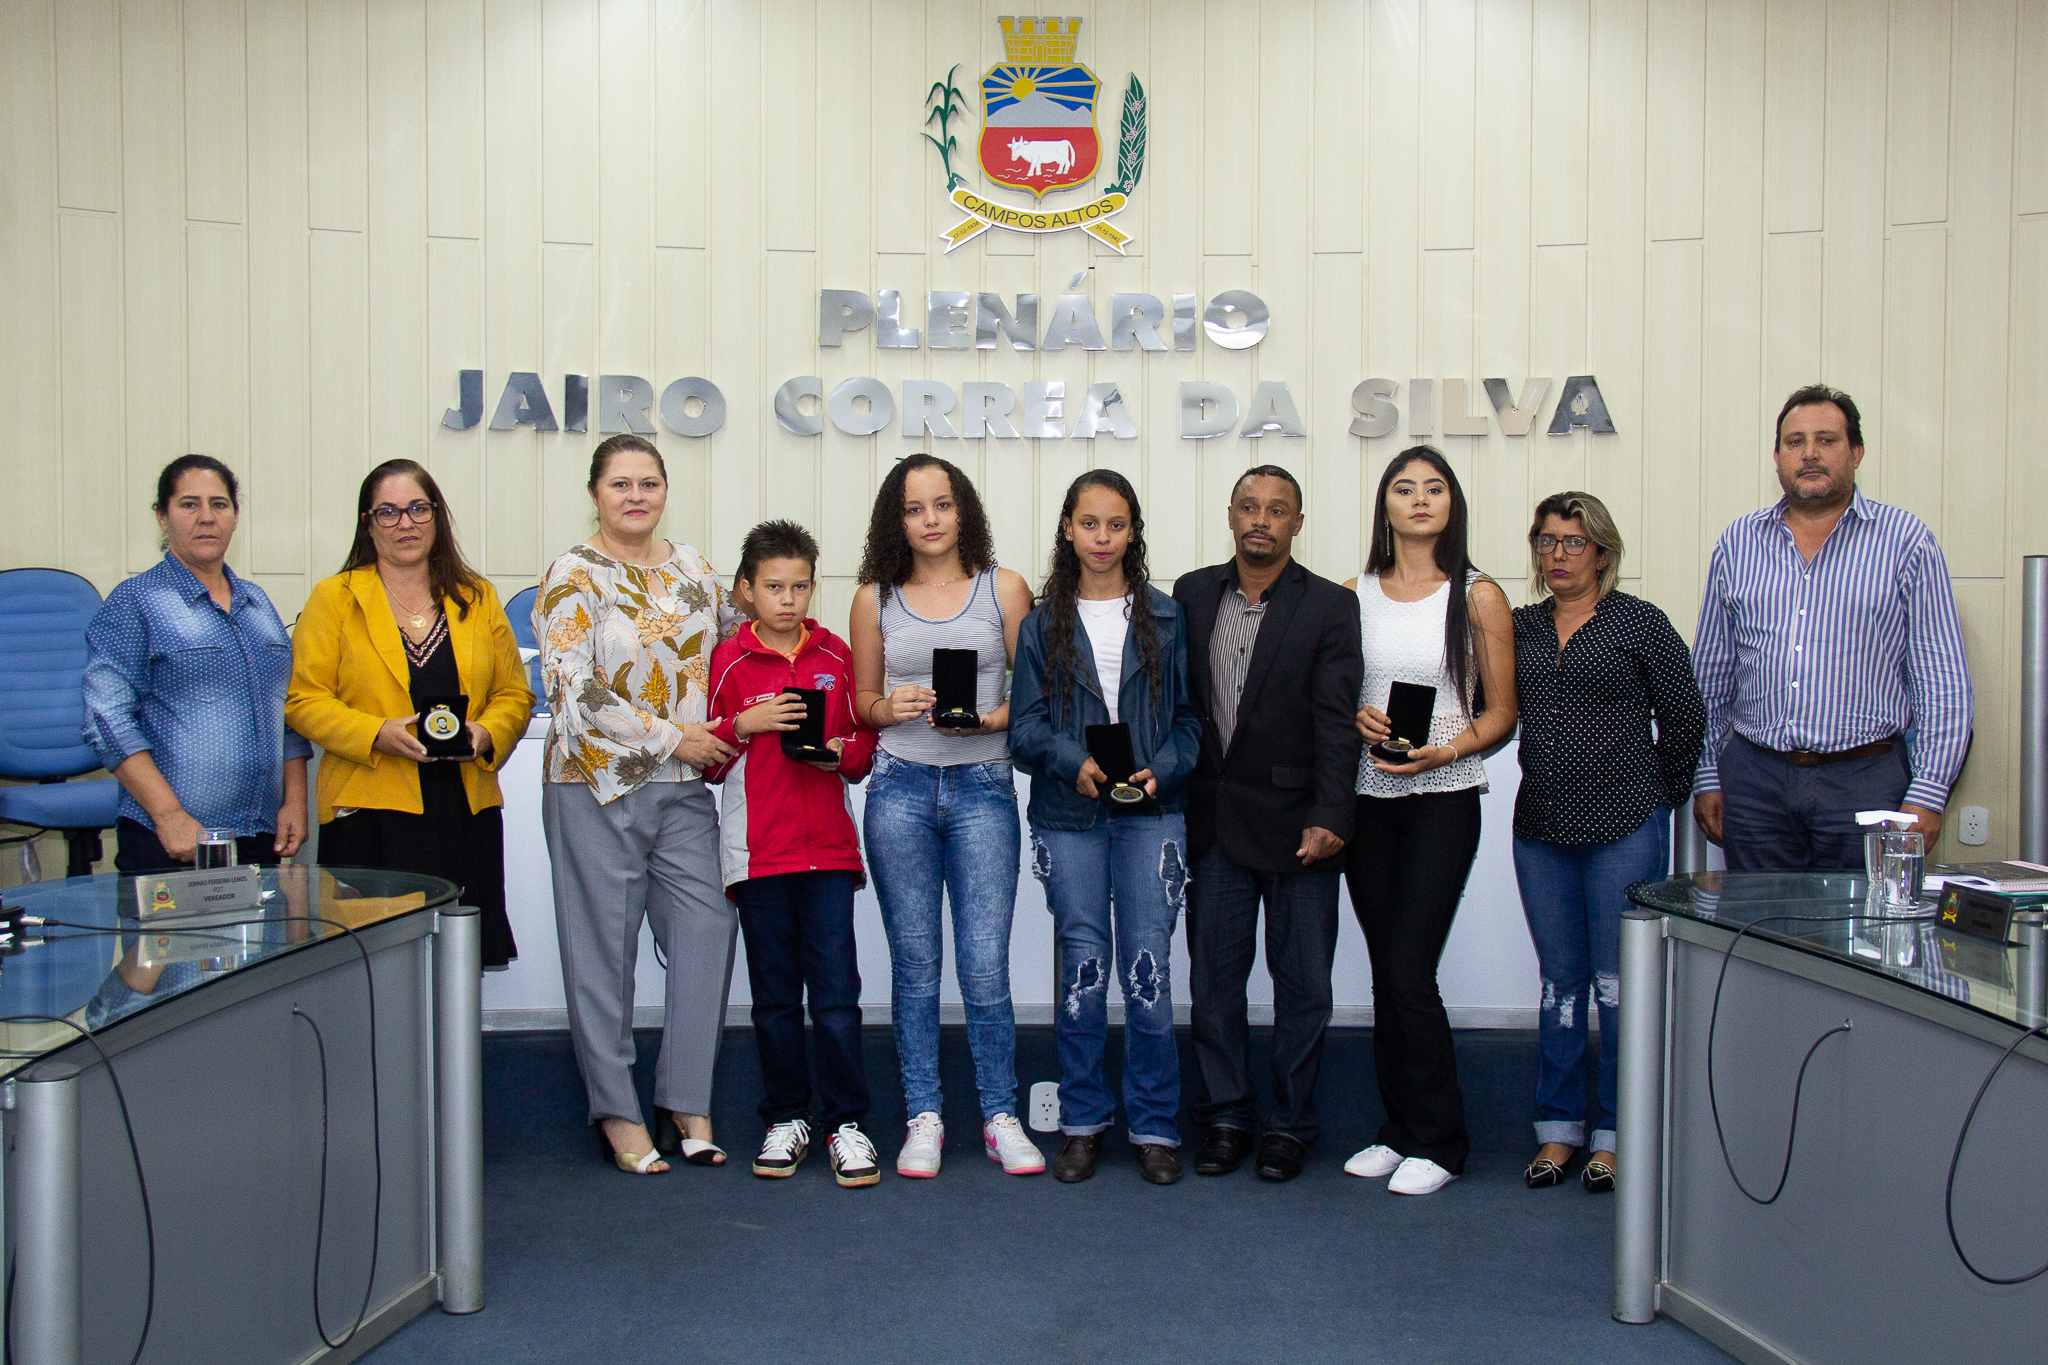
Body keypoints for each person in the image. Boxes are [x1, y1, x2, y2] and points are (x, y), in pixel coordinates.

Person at [532, 434, 742, 1175]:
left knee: (709, 928)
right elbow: (572, 690)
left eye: (648, 482)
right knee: (602, 953)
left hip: (683, 789)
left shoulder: (695, 569)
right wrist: (674, 736)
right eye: (620, 483)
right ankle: (618, 1112)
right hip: (593, 784)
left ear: (664, 491)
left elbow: (735, 653)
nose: (635, 496)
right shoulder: (572, 573)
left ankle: (686, 1098)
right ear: (595, 492)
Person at [849, 453, 1041, 1178]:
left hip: (984, 790)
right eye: (913, 508)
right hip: (898, 788)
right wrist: (886, 707)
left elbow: (1039, 695)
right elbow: (862, 702)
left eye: (942, 504)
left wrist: (990, 718)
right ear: (894, 521)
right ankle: (923, 1115)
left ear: (964, 510)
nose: (929, 519)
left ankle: (999, 1115)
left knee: (986, 966)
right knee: (916, 966)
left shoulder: (1004, 588)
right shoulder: (873, 598)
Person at [1010, 470, 1203, 1186]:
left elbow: (1191, 723)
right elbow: (1025, 729)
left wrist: (1163, 770)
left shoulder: (1167, 617)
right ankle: (1083, 1122)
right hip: (1070, 815)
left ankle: (1154, 1126)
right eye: (1088, 523)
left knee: (1149, 969)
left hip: (1152, 813)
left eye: (1115, 525)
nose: (1101, 537)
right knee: (1084, 972)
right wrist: (1075, 763)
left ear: (1133, 532)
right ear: (1067, 528)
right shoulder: (1040, 624)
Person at [1173, 465, 1363, 1183]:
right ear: (1230, 514)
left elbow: (1337, 720)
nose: (1261, 519)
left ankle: (1289, 1125)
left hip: (1300, 828)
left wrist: (1332, 813)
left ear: (1297, 523)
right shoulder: (1192, 594)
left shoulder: (1330, 606)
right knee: (1215, 983)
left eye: (1277, 509)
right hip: (1216, 823)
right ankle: (1226, 1116)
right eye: (1249, 506)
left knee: (1304, 986)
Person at [1691, 385, 1972, 869]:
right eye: (1795, 442)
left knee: (1863, 917)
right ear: (1777, 458)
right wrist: (1707, 774)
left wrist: (1929, 791)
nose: (1810, 454)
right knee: (1758, 917)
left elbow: (1941, 680)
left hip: (1866, 781)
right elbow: (1711, 676)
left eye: (1826, 439)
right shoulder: (1737, 543)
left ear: (1856, 452)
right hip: (1755, 783)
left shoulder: (1907, 542)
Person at [1510, 492, 1704, 1194]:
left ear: (1603, 553)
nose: (1558, 554)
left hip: (1625, 827)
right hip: (1541, 829)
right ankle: (1559, 1129)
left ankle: (1619, 1133)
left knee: (1619, 984)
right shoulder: (1519, 626)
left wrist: (1660, 797)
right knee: (1559, 983)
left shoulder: (1639, 622)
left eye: (1574, 541)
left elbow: (1685, 716)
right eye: (1547, 540)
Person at [1342, 446, 1517, 1196]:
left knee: (1411, 968)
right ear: (1385, 504)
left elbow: (1503, 713)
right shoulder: (1352, 593)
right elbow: (1337, 690)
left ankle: (1442, 1142)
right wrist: (1355, 714)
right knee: (1387, 971)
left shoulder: (1479, 595)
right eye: (1404, 487)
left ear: (1452, 504)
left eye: (1435, 488)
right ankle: (1399, 1129)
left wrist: (1445, 750)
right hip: (1366, 795)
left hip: (1443, 796)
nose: (1419, 499)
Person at [286, 459, 531, 969]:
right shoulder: (334, 599)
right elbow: (304, 701)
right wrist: (376, 732)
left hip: (463, 809)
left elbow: (513, 694)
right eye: (389, 512)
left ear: (437, 516)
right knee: (374, 968)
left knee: (457, 965)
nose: (406, 523)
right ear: (367, 523)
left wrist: (486, 733)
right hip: (369, 813)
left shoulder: (477, 597)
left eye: (419, 508)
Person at [703, 520, 881, 1187]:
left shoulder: (836, 653)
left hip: (829, 853)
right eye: (774, 587)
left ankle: (847, 1123)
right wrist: (742, 726)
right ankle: (786, 1116)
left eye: (800, 586)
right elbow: (709, 761)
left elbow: (862, 744)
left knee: (836, 995)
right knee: (775, 998)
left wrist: (842, 753)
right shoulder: (729, 660)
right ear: (747, 590)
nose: (788, 599)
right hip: (760, 856)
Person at [84, 455, 310, 872]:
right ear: (162, 517)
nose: (206, 517)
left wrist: (295, 801)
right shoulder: (136, 601)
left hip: (260, 835)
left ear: (235, 516)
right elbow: (107, 719)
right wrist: (169, 815)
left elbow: (286, 715)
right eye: (189, 504)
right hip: (170, 839)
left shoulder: (258, 604)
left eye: (219, 504)